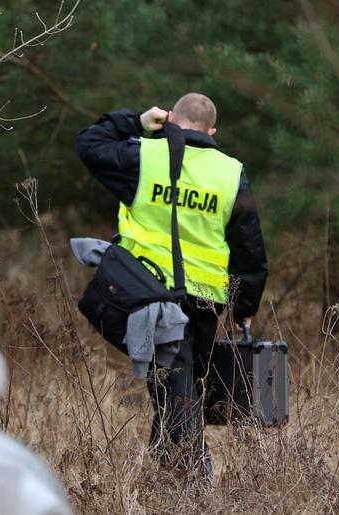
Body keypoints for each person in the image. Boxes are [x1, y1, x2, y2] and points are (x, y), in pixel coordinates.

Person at [75, 93, 268, 479]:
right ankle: (169, 482)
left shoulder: (144, 156)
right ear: (213, 132)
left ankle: (197, 485)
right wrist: (242, 308)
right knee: (175, 386)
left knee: (176, 392)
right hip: (205, 302)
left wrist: (136, 122)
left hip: (148, 295)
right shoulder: (231, 172)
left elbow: (89, 144)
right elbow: (250, 249)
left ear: (171, 120)